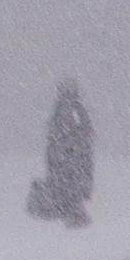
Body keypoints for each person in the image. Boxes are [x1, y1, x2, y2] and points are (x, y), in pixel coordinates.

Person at [27, 80, 94, 227]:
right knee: (69, 186)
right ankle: (71, 213)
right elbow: (83, 133)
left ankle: (69, 212)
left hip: (67, 158)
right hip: (69, 159)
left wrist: (66, 148)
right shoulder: (74, 108)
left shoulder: (68, 108)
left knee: (66, 185)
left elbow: (66, 134)